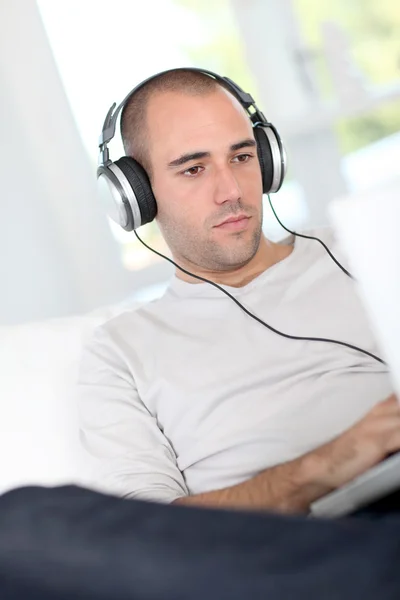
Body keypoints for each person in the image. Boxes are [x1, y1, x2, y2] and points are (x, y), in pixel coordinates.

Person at [78, 68, 399, 514]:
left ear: (268, 160)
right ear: (137, 196)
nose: (230, 191)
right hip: (295, 553)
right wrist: (328, 464)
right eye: (193, 169)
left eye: (242, 157)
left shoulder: (363, 246)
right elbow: (147, 532)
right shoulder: (120, 352)